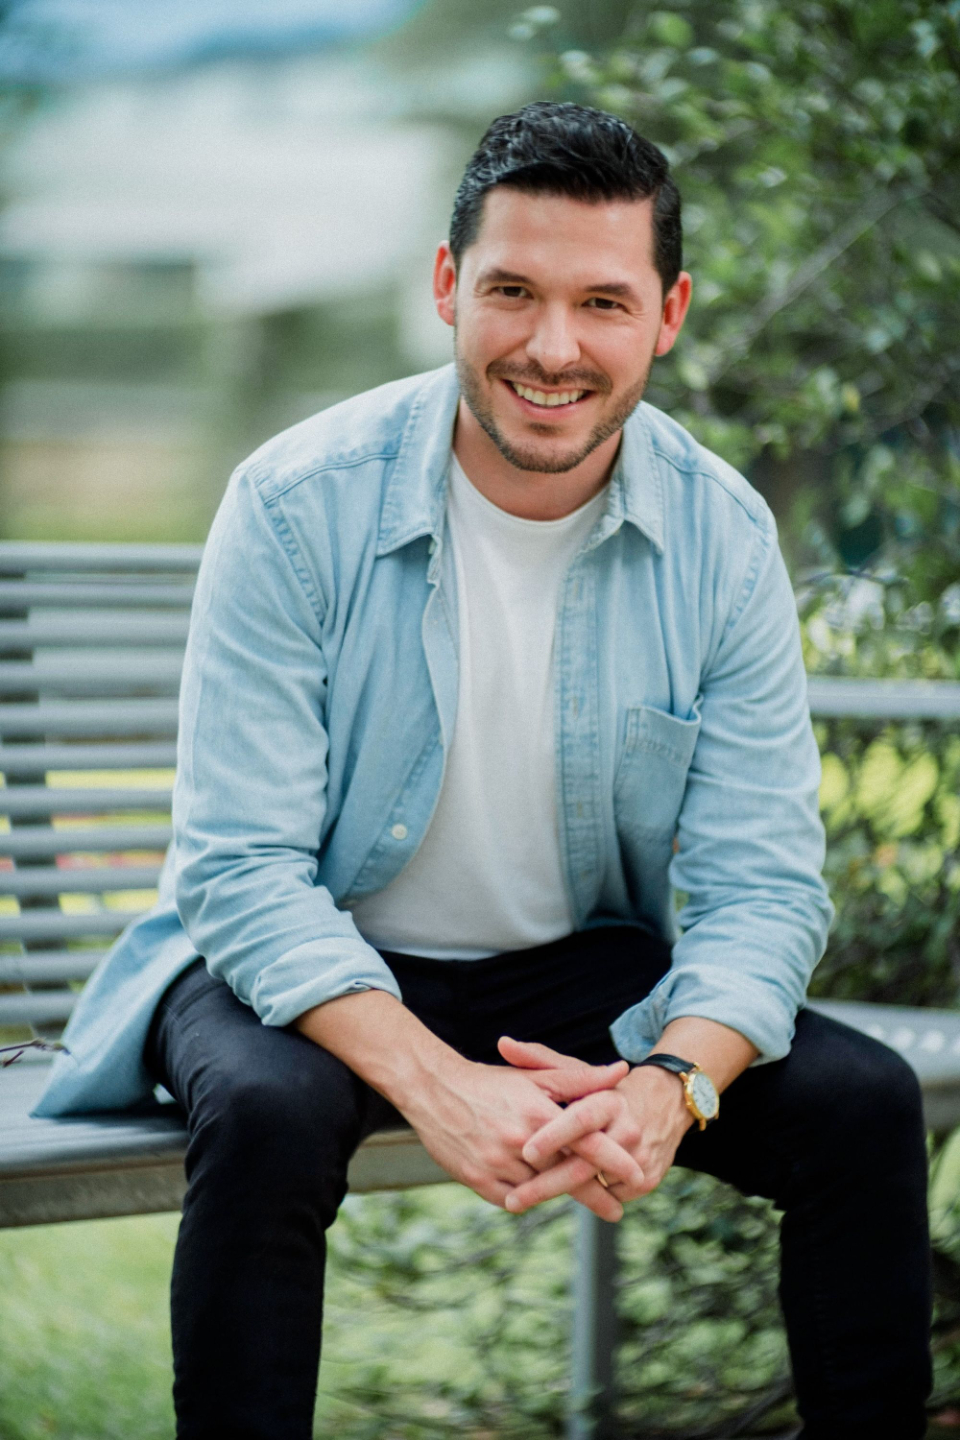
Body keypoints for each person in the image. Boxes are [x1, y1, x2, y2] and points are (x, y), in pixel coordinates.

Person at [37, 102, 931, 1439]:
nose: (552, 347)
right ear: (449, 284)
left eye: (603, 302)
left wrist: (671, 1083)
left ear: (669, 314)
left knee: (862, 1106)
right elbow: (240, 868)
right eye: (514, 290)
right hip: (296, 963)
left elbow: (764, 887)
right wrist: (432, 1081)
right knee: (272, 1115)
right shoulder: (293, 502)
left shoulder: (724, 538)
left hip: (567, 969)